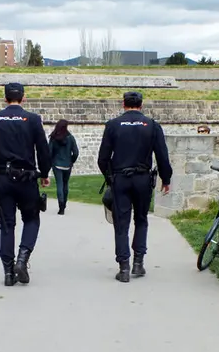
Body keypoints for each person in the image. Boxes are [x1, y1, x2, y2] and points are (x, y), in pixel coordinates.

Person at [0, 82, 51, 286]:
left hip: (4, 178)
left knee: (6, 225)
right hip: (27, 178)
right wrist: (44, 173)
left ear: (5, 99)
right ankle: (22, 258)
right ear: (23, 98)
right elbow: (43, 150)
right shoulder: (33, 120)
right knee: (31, 219)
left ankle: (9, 272)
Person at [97, 91, 173, 283]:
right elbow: (162, 156)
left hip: (120, 178)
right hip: (142, 178)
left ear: (123, 104)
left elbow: (103, 158)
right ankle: (138, 263)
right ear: (141, 104)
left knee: (121, 223)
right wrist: (166, 178)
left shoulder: (113, 125)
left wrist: (109, 176)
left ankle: (123, 267)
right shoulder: (152, 126)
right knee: (141, 219)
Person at [48, 119, 79, 215]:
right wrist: (71, 160)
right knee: (65, 184)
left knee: (59, 185)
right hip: (67, 164)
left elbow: (49, 152)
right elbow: (76, 152)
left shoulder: (53, 138)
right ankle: (64, 203)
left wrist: (50, 162)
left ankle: (61, 207)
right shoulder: (71, 138)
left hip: (57, 164)